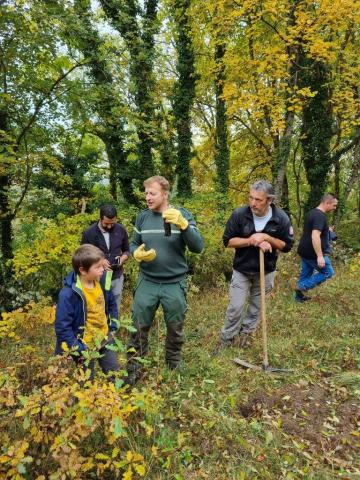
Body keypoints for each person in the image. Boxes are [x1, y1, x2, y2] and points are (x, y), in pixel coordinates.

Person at [126, 175, 204, 385]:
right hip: (148, 281)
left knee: (175, 327)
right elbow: (133, 243)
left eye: (152, 193)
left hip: (174, 283)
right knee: (138, 326)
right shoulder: (142, 218)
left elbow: (198, 247)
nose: (148, 197)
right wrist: (136, 254)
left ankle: (173, 363)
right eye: (146, 193)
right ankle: (134, 367)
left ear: (165, 194)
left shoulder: (182, 215)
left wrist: (185, 226)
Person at [219, 180, 294, 348]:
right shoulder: (239, 214)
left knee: (256, 307)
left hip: (266, 271)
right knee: (235, 307)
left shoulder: (280, 218)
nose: (253, 203)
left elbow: (287, 246)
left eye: (258, 200)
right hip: (242, 269)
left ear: (269, 200)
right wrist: (252, 240)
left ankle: (246, 337)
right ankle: (226, 340)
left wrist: (267, 238)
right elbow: (228, 241)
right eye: (251, 198)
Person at [55, 244, 120, 380]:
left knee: (114, 373)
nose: (103, 269)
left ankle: (114, 399)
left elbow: (112, 304)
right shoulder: (68, 294)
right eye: (98, 267)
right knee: (86, 381)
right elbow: (62, 327)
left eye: (102, 265)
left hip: (104, 338)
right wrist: (78, 348)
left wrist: (113, 327)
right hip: (83, 345)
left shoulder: (102, 281)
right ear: (83, 270)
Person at [81, 205, 130, 312]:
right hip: (97, 277)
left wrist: (123, 258)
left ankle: (113, 328)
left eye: (112, 223)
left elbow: (127, 250)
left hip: (116, 276)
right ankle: (100, 327)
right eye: (106, 223)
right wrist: (99, 261)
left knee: (115, 305)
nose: (109, 226)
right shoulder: (89, 233)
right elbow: (82, 254)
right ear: (100, 219)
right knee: (99, 306)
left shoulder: (121, 230)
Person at [295, 193, 338, 302]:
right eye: (334, 205)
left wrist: (327, 231)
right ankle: (302, 286)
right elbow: (315, 235)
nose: (335, 208)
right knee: (328, 272)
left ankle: (298, 298)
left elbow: (313, 230)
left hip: (304, 251)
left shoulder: (312, 213)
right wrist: (320, 256)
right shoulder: (320, 216)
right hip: (313, 253)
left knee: (306, 272)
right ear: (327, 203)